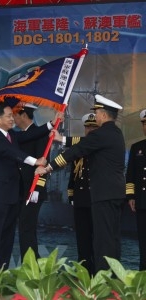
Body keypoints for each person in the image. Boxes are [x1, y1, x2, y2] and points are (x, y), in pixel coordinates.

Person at [36, 94, 126, 273]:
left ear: (103, 114)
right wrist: (62, 139)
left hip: (103, 195)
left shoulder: (102, 134)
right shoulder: (114, 133)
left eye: (97, 113)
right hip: (114, 194)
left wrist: (49, 167)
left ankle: (103, 280)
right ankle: (115, 277)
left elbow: (77, 151)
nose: (96, 116)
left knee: (103, 240)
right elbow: (85, 142)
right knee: (112, 238)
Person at [0, 101, 59, 270]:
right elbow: (11, 152)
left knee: (7, 237)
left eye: (13, 115)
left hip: (12, 195)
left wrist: (51, 124)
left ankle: (1, 272)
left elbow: (30, 135)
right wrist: (35, 161)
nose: (12, 119)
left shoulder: (11, 136)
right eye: (9, 116)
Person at [13, 103, 49, 261]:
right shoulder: (20, 135)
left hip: (33, 190)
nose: (13, 118)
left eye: (15, 114)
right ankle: (31, 265)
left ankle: (31, 266)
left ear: (23, 115)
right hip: (21, 190)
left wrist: (35, 190)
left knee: (26, 228)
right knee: (24, 228)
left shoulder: (39, 135)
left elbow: (43, 164)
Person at [67, 113, 98, 275]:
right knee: (83, 241)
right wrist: (71, 195)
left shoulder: (100, 145)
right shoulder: (78, 149)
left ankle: (99, 275)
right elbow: (73, 174)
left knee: (98, 241)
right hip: (80, 200)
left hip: (97, 200)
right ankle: (85, 274)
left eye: (94, 127)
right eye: (88, 127)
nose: (90, 130)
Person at [126, 109, 146, 271]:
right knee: (143, 241)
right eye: (144, 124)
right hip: (142, 201)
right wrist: (131, 196)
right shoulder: (136, 148)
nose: (145, 127)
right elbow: (130, 175)